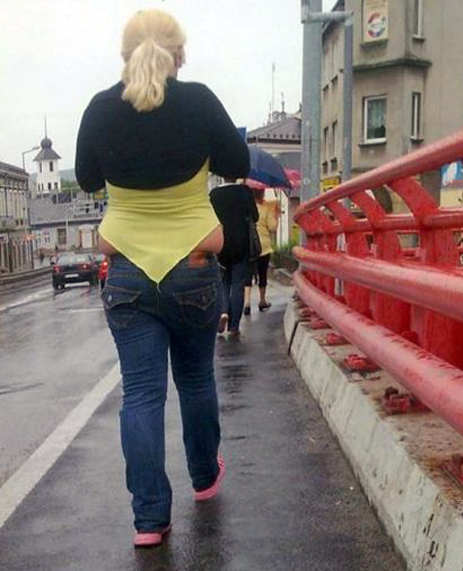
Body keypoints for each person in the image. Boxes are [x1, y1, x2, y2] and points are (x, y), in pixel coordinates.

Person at [75, 9, 249, 547]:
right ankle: (204, 476)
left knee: (141, 395)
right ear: (180, 55)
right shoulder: (198, 101)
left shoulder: (101, 108)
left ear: (124, 56)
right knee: (195, 380)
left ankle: (150, 519)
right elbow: (238, 161)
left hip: (127, 270)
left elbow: (86, 179)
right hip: (193, 266)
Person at [209, 178, 258, 338]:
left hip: (220, 244)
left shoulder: (214, 194)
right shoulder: (244, 192)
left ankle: (223, 311)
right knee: (238, 285)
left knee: (223, 282)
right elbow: (255, 216)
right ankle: (234, 326)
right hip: (241, 245)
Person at [244, 188, 279, 314]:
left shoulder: (246, 207)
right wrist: (276, 216)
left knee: (248, 274)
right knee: (262, 273)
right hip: (263, 246)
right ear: (262, 192)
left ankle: (247, 302)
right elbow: (272, 227)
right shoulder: (266, 207)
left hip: (249, 245)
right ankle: (262, 300)